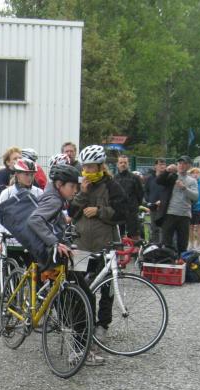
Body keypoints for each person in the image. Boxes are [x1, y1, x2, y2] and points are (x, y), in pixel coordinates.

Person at [68, 144, 127, 364]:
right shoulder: (79, 184)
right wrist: (82, 194)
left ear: (101, 166)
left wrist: (100, 211)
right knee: (80, 289)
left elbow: (123, 212)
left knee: (106, 289)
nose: (87, 171)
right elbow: (71, 213)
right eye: (85, 167)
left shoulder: (112, 186)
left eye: (91, 167)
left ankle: (102, 325)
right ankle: (82, 328)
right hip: (81, 245)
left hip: (105, 245)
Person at [0, 157, 43, 267]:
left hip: (32, 242)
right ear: (17, 174)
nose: (29, 178)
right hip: (11, 242)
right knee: (12, 272)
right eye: (26, 174)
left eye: (32, 174)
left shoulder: (39, 193)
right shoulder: (7, 193)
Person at [155, 155, 198, 253]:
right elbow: (158, 181)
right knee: (166, 243)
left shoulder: (192, 181)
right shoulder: (171, 176)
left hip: (184, 215)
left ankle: (180, 260)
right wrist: (167, 170)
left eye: (184, 163)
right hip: (169, 213)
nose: (181, 165)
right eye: (180, 163)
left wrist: (184, 188)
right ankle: (168, 260)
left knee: (182, 244)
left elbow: (195, 197)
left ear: (189, 166)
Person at [113, 155, 144, 239]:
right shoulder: (114, 178)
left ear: (128, 164)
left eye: (125, 162)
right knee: (119, 236)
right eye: (121, 162)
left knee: (134, 235)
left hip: (132, 212)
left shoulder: (135, 178)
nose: (123, 164)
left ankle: (135, 247)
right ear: (117, 164)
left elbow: (140, 194)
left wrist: (134, 205)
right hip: (118, 211)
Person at [144, 158, 169, 243]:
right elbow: (146, 191)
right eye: (160, 164)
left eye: (164, 164)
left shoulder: (168, 178)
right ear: (155, 166)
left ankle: (163, 247)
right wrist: (149, 201)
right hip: (153, 207)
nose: (162, 166)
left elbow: (169, 192)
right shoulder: (150, 178)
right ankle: (155, 246)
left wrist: (162, 201)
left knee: (164, 229)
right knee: (154, 228)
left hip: (164, 207)